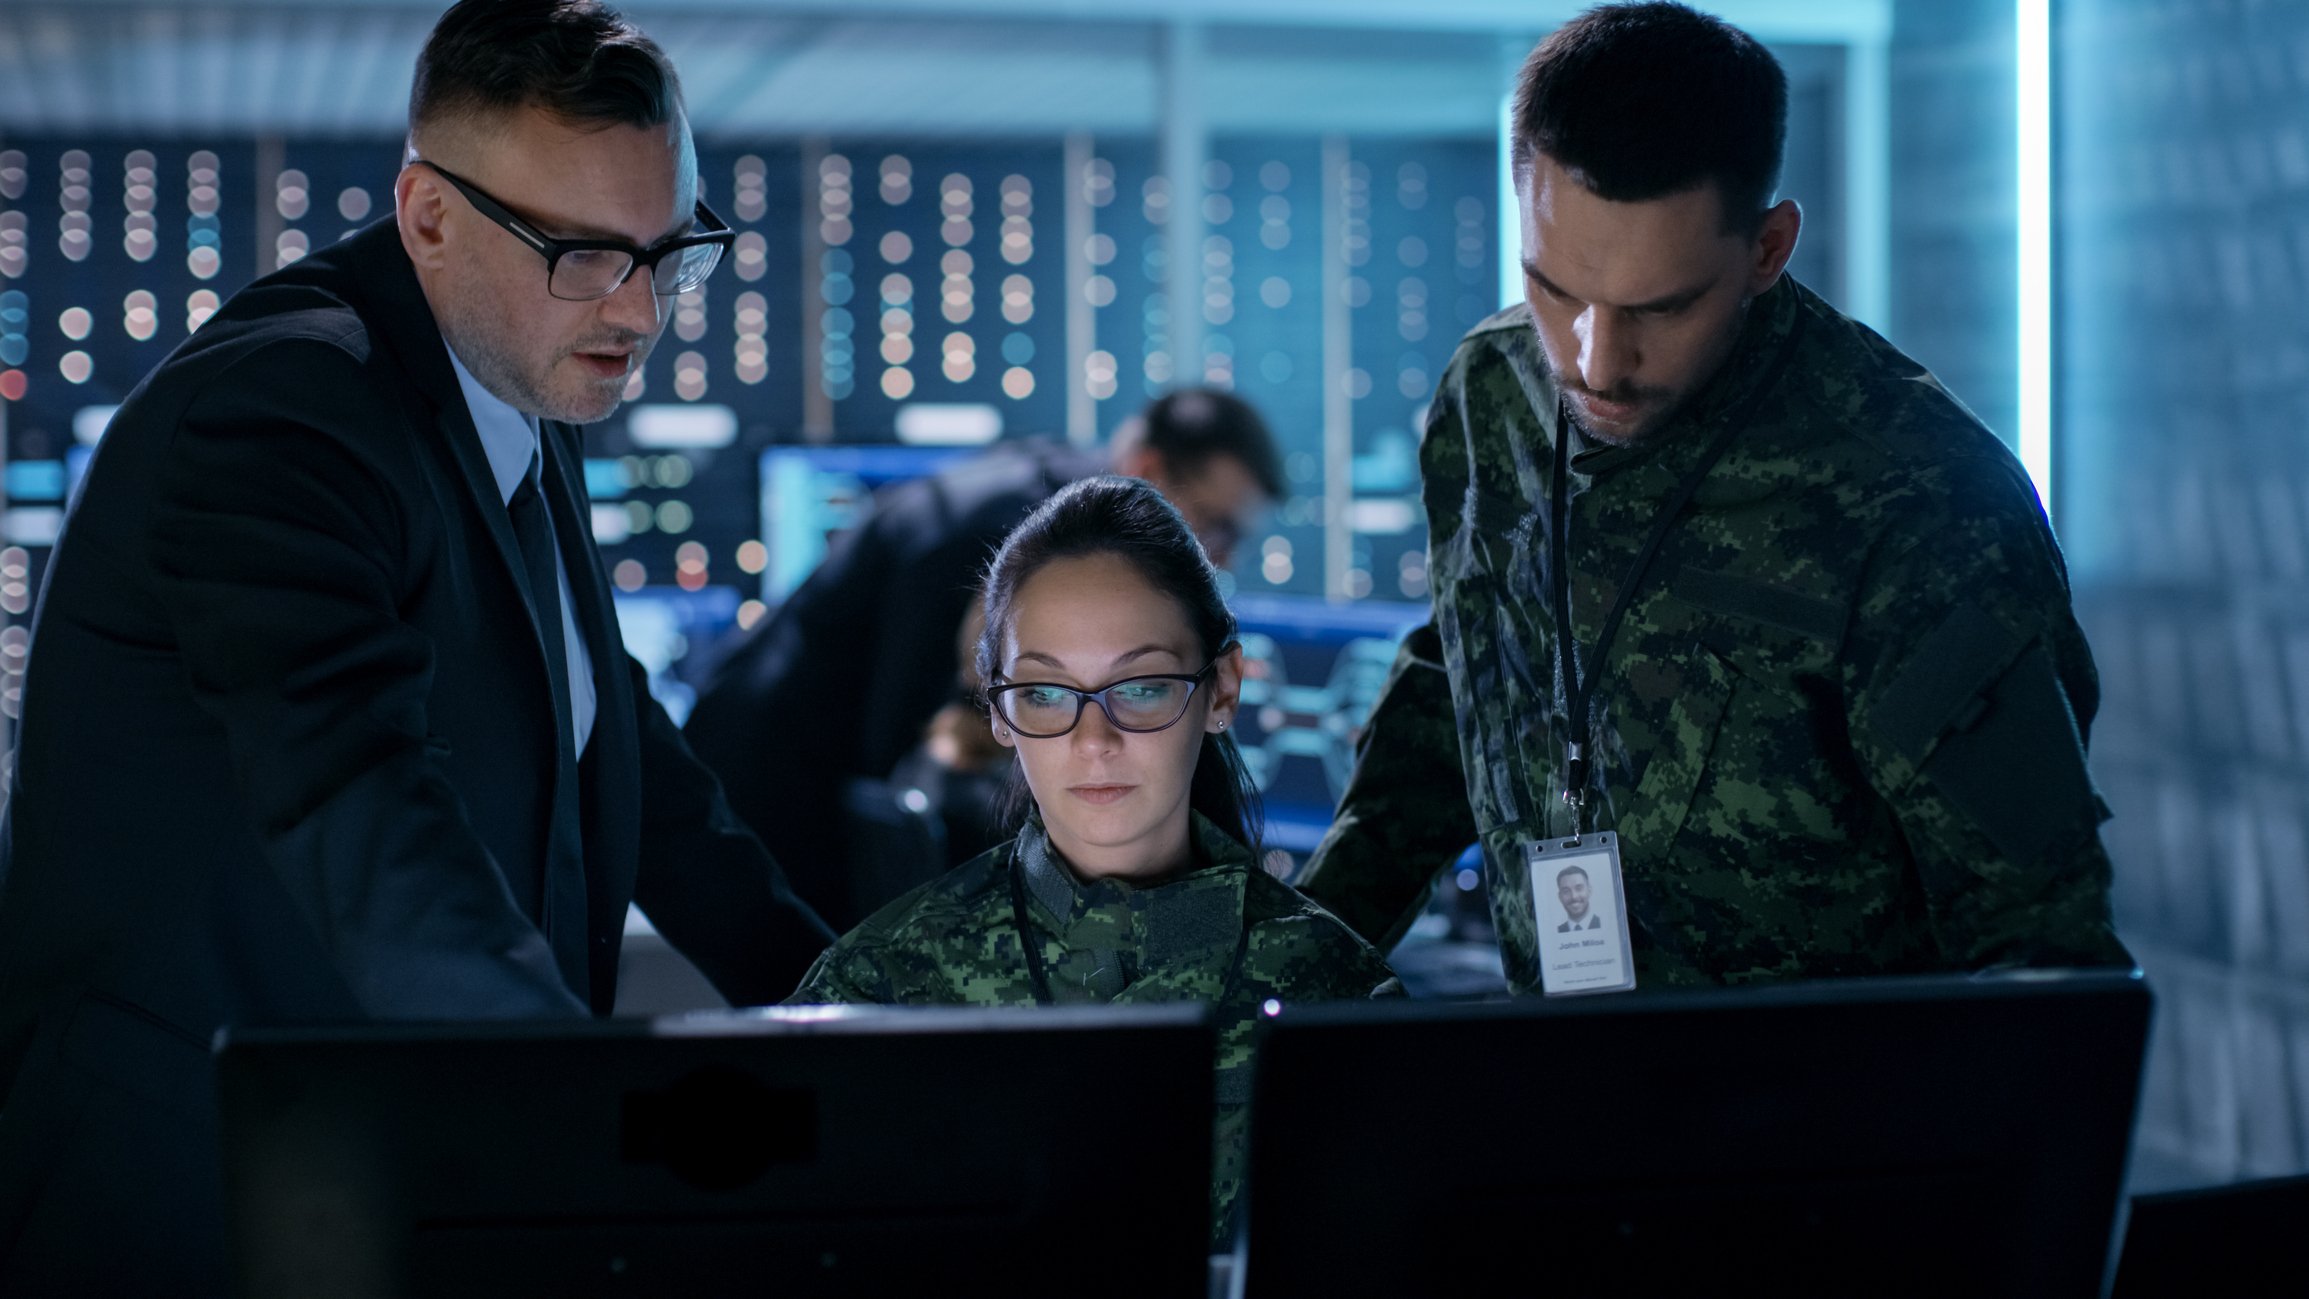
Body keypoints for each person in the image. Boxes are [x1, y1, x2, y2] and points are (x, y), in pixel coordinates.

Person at [0, 2, 831, 1289]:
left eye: (671, 252)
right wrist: (582, 1114)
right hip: (200, 1197)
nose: (642, 309)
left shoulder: (512, 373)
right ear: (428, 216)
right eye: (583, 253)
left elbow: (618, 750)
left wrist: (852, 1005)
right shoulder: (281, 413)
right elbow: (361, 805)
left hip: (385, 1174)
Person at [1298, 1, 2130, 992]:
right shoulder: (1488, 396)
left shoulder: (1921, 503)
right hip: (1558, 1090)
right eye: (1553, 290)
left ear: (1768, 249)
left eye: (1661, 307)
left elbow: (2037, 945)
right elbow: (1458, 685)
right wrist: (1289, 978)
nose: (1591, 362)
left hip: (1817, 1118)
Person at [788, 475, 1398, 1247]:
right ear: (998, 707)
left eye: (1140, 686)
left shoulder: (1340, 1001)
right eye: (1045, 692)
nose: (1093, 740)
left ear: (1221, 689)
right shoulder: (877, 992)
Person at [684, 388, 1285, 932]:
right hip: (756, 795)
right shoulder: (1018, 541)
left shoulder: (1041, 502)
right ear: (1149, 470)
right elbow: (899, 740)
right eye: (1217, 527)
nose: (1219, 560)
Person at [1556, 865, 1600, 933]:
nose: (1574, 896)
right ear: (1560, 897)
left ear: (1589, 891)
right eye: (1566, 891)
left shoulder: (1605, 925)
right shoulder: (1556, 932)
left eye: (1579, 888)